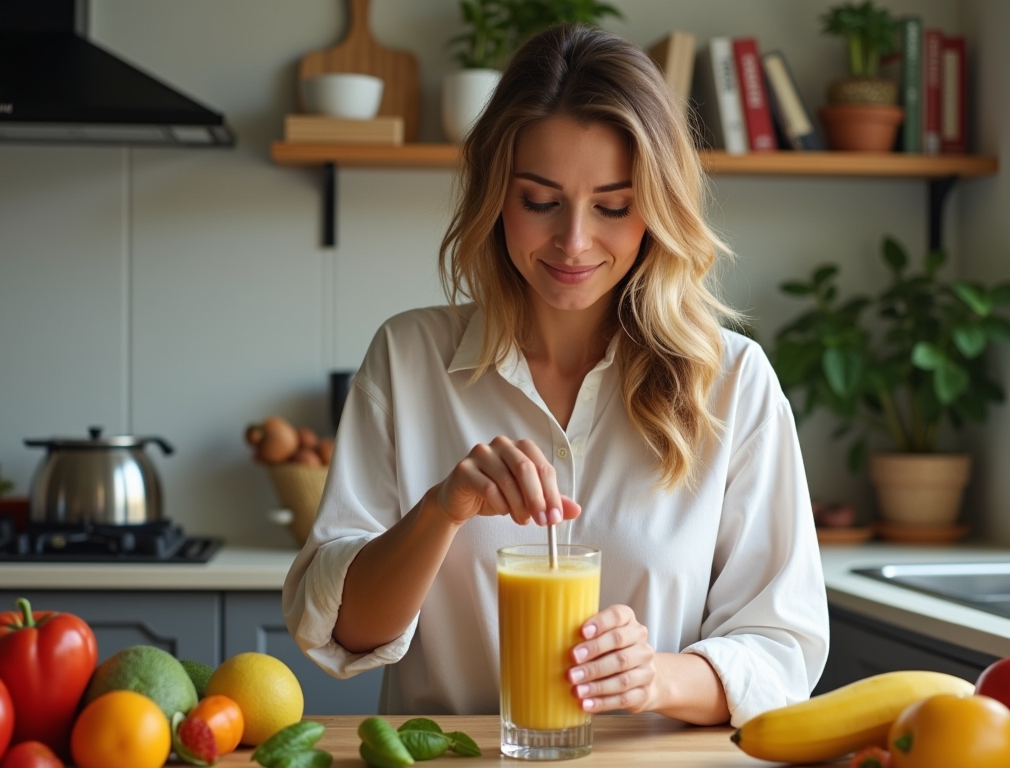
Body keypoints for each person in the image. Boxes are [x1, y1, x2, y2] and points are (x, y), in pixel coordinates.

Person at [282, 23, 828, 727]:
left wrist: (654, 677)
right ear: (495, 196)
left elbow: (782, 651)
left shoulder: (733, 381)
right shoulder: (408, 357)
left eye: (613, 206)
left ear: (658, 209)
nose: (574, 241)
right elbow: (338, 630)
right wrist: (442, 509)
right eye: (540, 201)